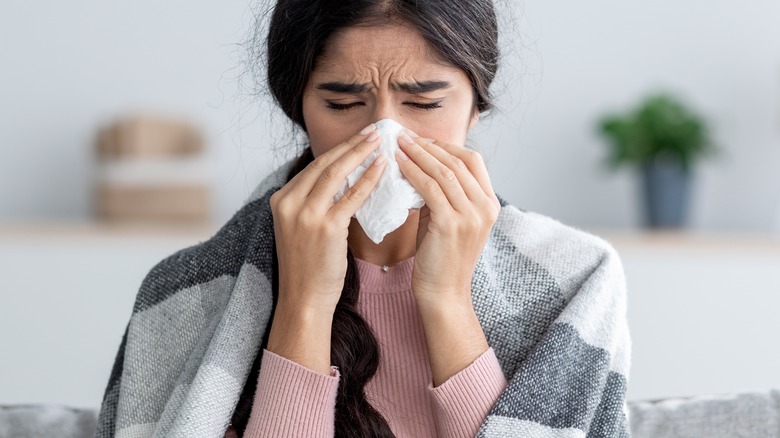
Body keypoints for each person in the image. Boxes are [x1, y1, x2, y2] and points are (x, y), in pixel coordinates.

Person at [96, 1, 631, 437]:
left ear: (474, 106)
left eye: (422, 103)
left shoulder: (577, 279)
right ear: (299, 109)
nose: (383, 137)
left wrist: (447, 301)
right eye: (343, 103)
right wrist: (303, 305)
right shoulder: (183, 295)